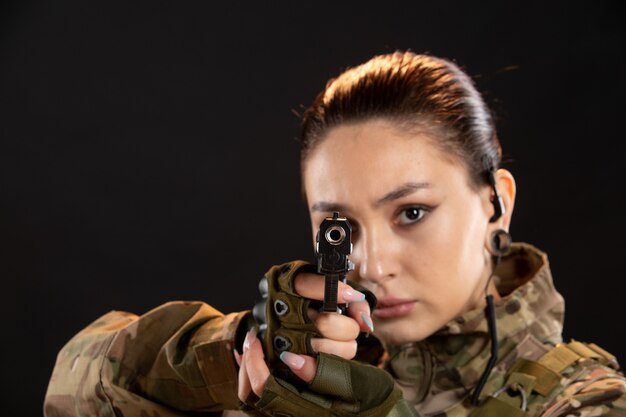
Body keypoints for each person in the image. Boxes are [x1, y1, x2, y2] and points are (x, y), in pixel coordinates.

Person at [44, 52, 626, 417]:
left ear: (497, 202)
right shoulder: (298, 379)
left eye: (412, 213)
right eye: (339, 226)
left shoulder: (584, 400)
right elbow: (72, 382)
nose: (370, 263)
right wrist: (237, 348)